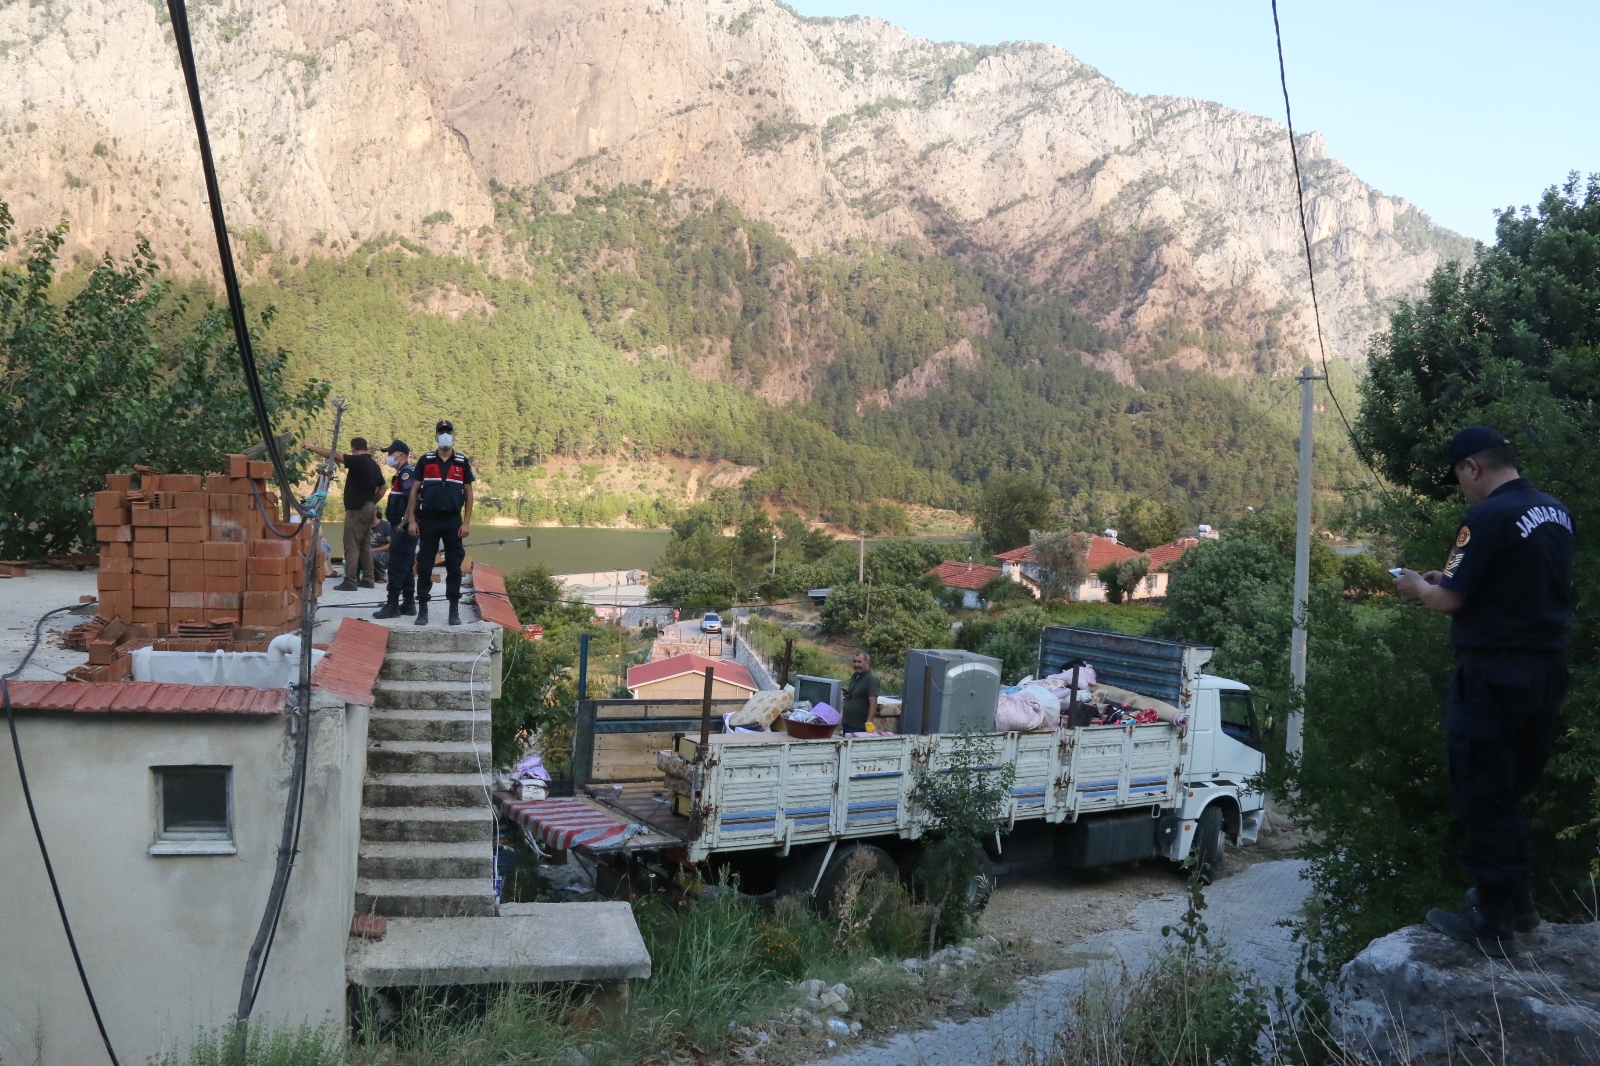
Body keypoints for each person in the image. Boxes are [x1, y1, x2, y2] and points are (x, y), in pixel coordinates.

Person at [1394, 426, 1574, 957]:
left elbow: (1448, 602)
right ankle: (1517, 903)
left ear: (1473, 466)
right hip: (1545, 669)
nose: (1461, 488)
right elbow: (1499, 586)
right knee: (1513, 787)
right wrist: (1443, 582)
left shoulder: (1487, 515)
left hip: (1495, 674)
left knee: (1482, 788)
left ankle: (1491, 922)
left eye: (1458, 476)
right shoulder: (1555, 511)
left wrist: (1417, 587)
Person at [402, 420, 474, 626]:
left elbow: (469, 494)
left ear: (453, 436)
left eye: (448, 432)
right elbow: (414, 491)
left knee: (454, 567)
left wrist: (466, 522)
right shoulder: (426, 460)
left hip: (453, 521)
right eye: (441, 432)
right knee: (424, 565)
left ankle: (454, 611)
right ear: (435, 437)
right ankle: (423, 609)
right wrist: (413, 521)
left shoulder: (461, 461)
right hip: (429, 520)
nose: (445, 435)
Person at [307, 437, 387, 591]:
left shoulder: (360, 461)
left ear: (353, 448)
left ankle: (350, 580)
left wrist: (312, 448)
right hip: (369, 508)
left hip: (357, 509)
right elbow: (383, 487)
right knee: (364, 544)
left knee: (351, 544)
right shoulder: (374, 465)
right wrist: (372, 502)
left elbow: (336, 455)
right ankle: (369, 579)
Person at [373, 440, 418, 619]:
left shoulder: (407, 474)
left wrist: (405, 522)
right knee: (406, 566)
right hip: (400, 525)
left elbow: (413, 499)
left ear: (400, 455)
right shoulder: (402, 474)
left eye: (391, 453)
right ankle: (408, 603)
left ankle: (392, 605)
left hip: (403, 527)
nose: (388, 457)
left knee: (396, 565)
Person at [840, 651, 881, 733]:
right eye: (854, 661)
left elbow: (873, 703)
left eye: (859, 662)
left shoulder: (871, 680)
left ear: (867, 663)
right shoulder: (855, 676)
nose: (856, 665)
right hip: (847, 723)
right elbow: (857, 695)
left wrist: (869, 723)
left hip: (858, 727)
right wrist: (848, 695)